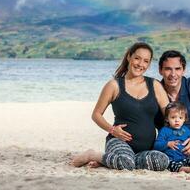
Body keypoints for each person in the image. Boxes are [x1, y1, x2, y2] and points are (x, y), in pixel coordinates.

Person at [71, 42, 170, 171]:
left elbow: (170, 115)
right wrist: (112, 130)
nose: (140, 64)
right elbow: (96, 115)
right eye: (137, 58)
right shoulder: (114, 86)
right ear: (129, 57)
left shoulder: (155, 85)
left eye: (146, 61)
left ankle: (110, 161)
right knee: (126, 163)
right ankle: (93, 155)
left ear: (149, 64)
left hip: (146, 148)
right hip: (118, 142)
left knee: (163, 161)